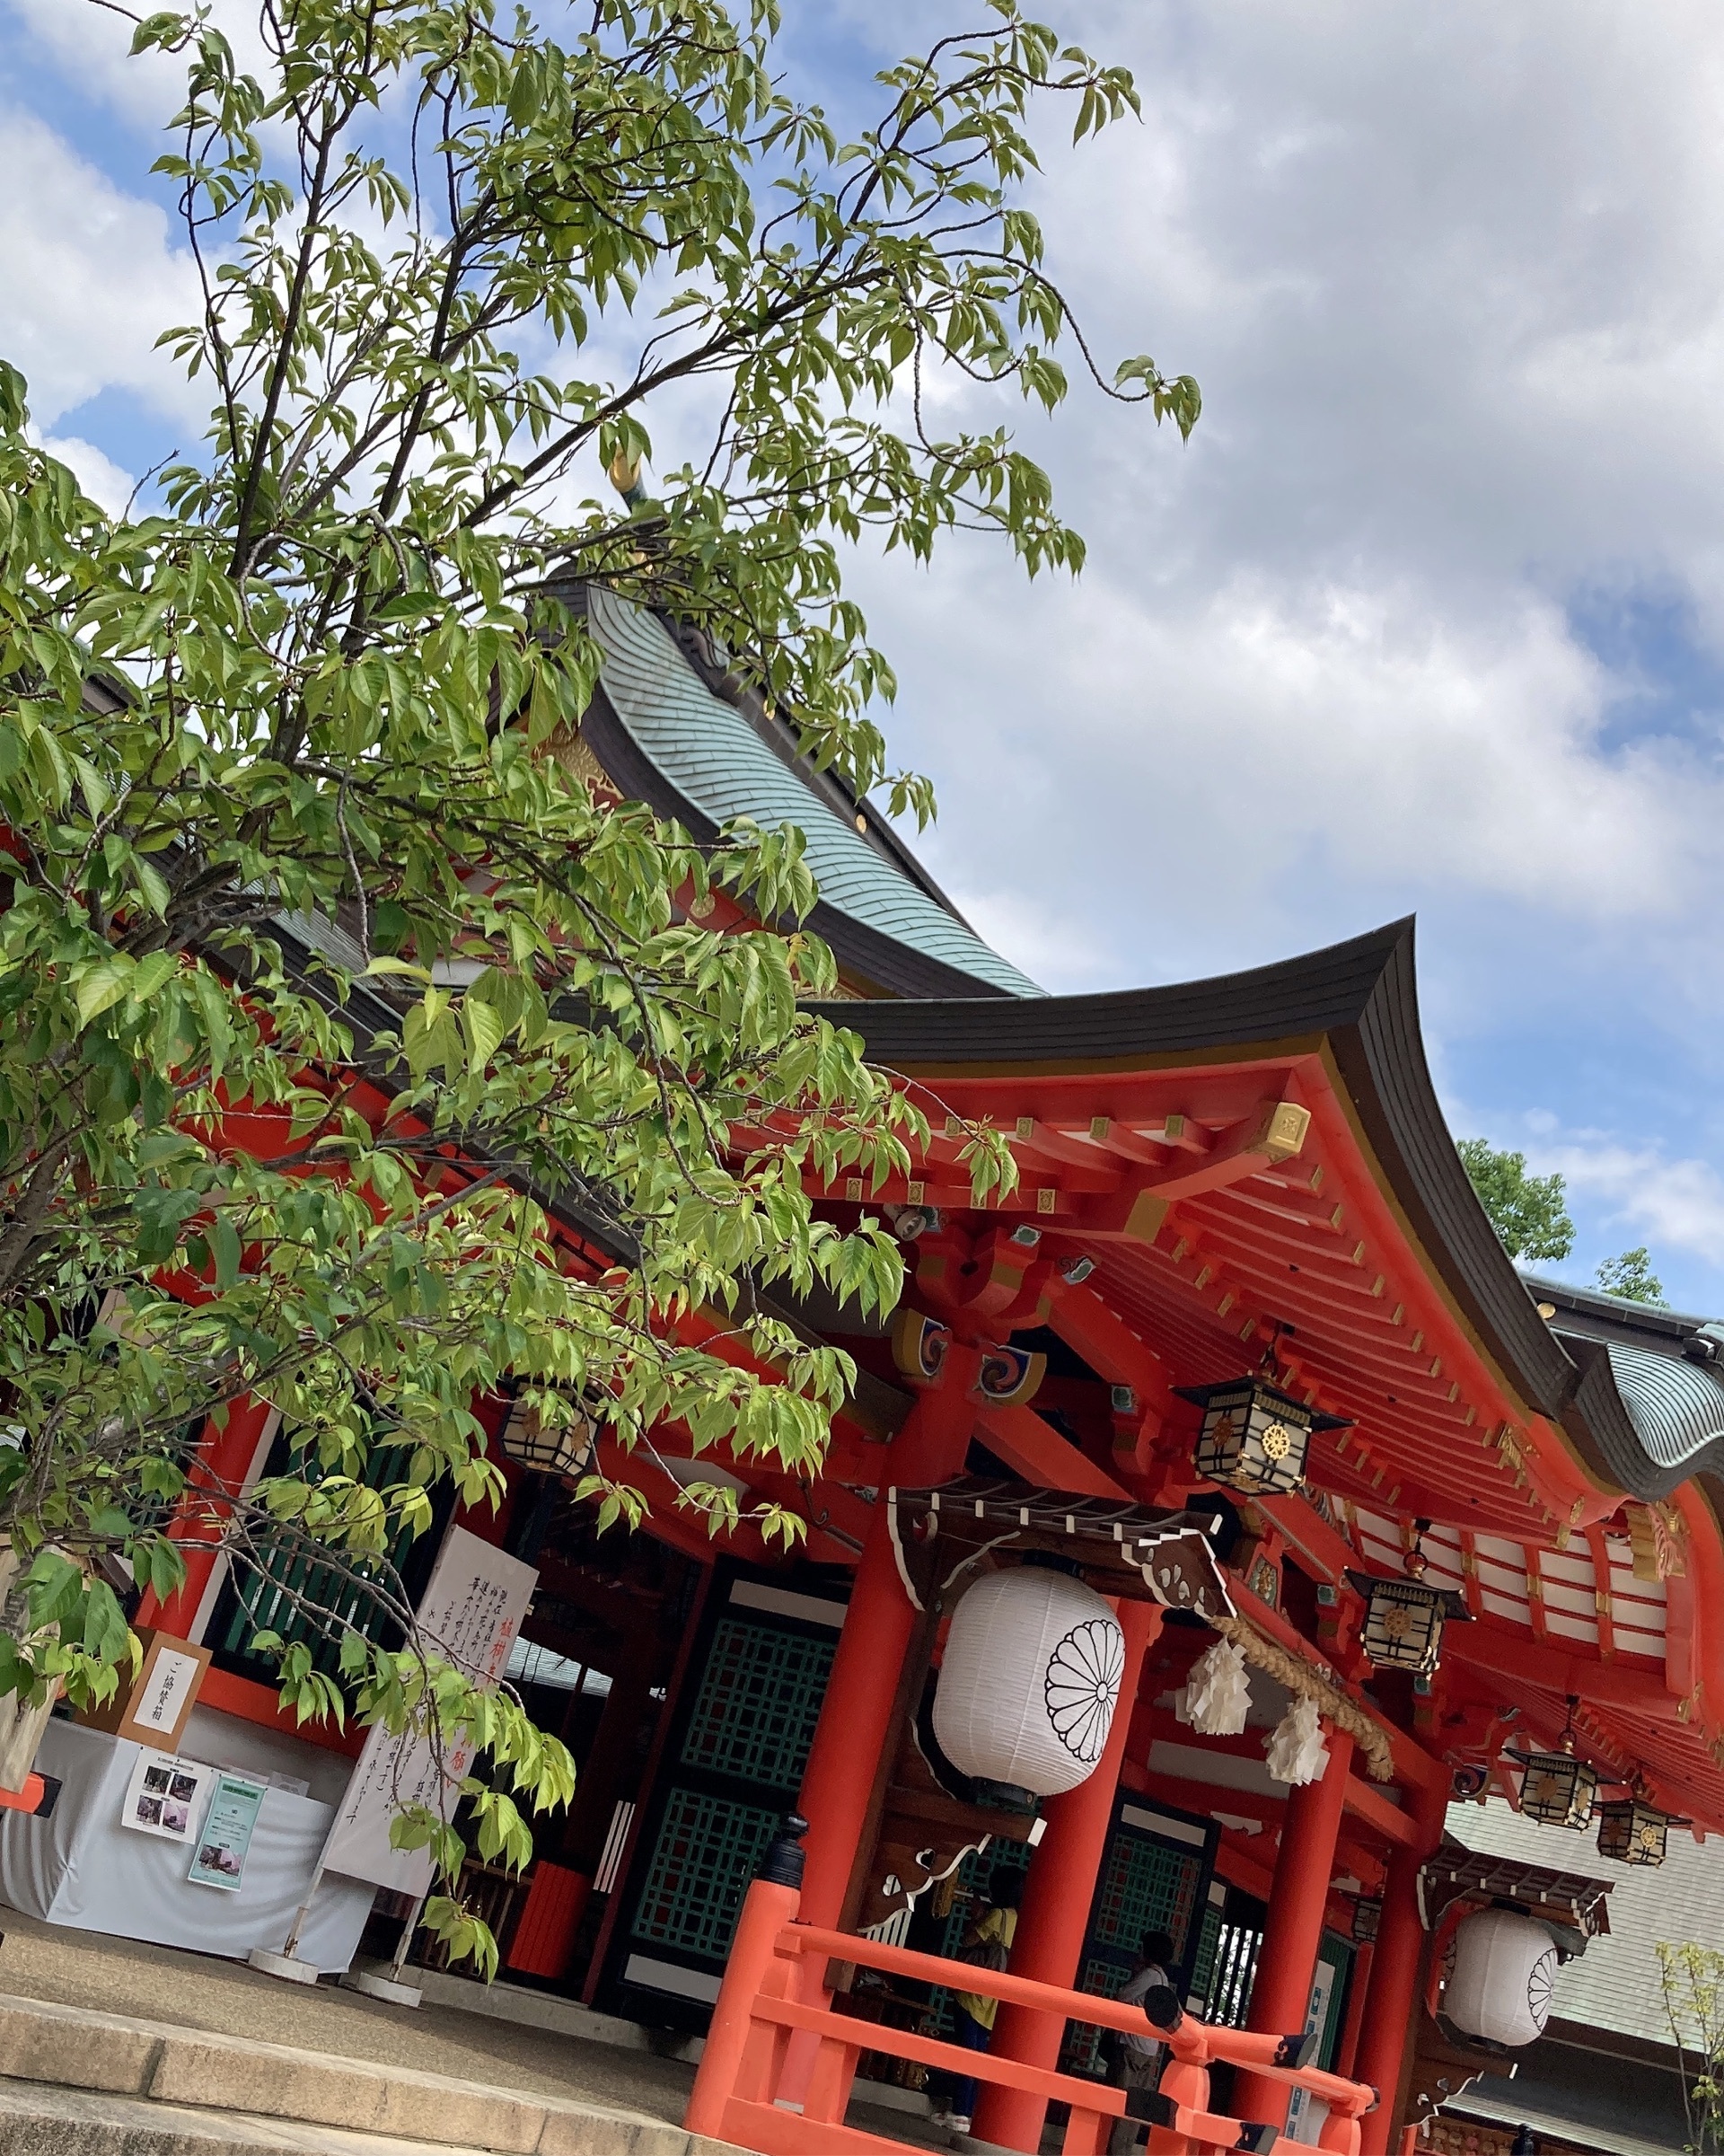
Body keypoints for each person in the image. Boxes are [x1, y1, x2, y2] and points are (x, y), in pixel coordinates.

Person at [928, 1866, 1022, 2136]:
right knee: (980, 2055)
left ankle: (960, 2111)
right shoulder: (1018, 1919)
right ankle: (968, 2110)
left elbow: (969, 1940)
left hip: (974, 1996)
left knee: (966, 2055)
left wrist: (975, 1915)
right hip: (996, 1999)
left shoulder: (996, 1916)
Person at [1107, 1929, 1177, 2156]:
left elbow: (1122, 1995)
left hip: (1134, 2046)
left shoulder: (1149, 1976)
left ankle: (1115, 2150)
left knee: (1122, 2099)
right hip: (1150, 2048)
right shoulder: (1163, 1978)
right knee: (1136, 2104)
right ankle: (1125, 2149)